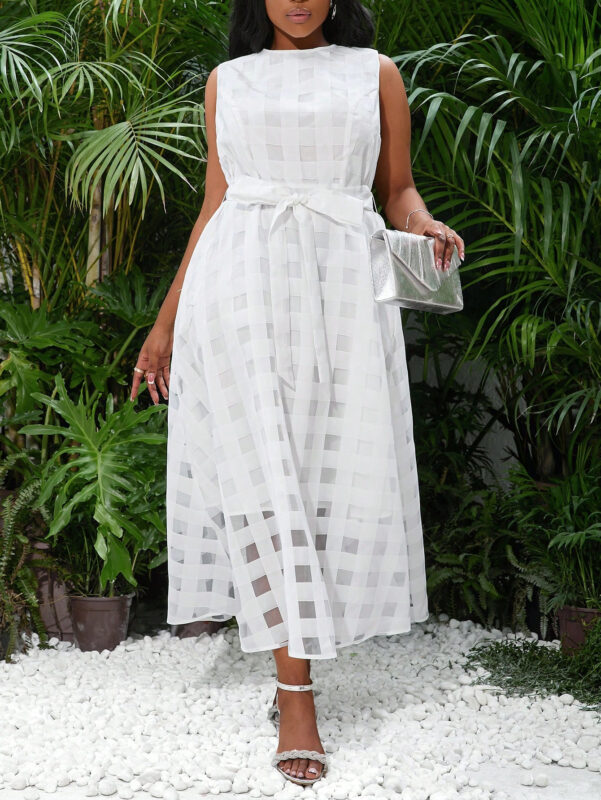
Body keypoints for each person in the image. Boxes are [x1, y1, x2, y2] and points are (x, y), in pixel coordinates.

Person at [130, 0, 465, 787]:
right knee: (265, 483)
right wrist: (166, 324)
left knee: (323, 481)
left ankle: (300, 657)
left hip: (343, 293)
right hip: (239, 289)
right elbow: (215, 203)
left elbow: (397, 190)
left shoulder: (375, 74)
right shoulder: (228, 81)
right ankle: (295, 695)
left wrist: (426, 227)